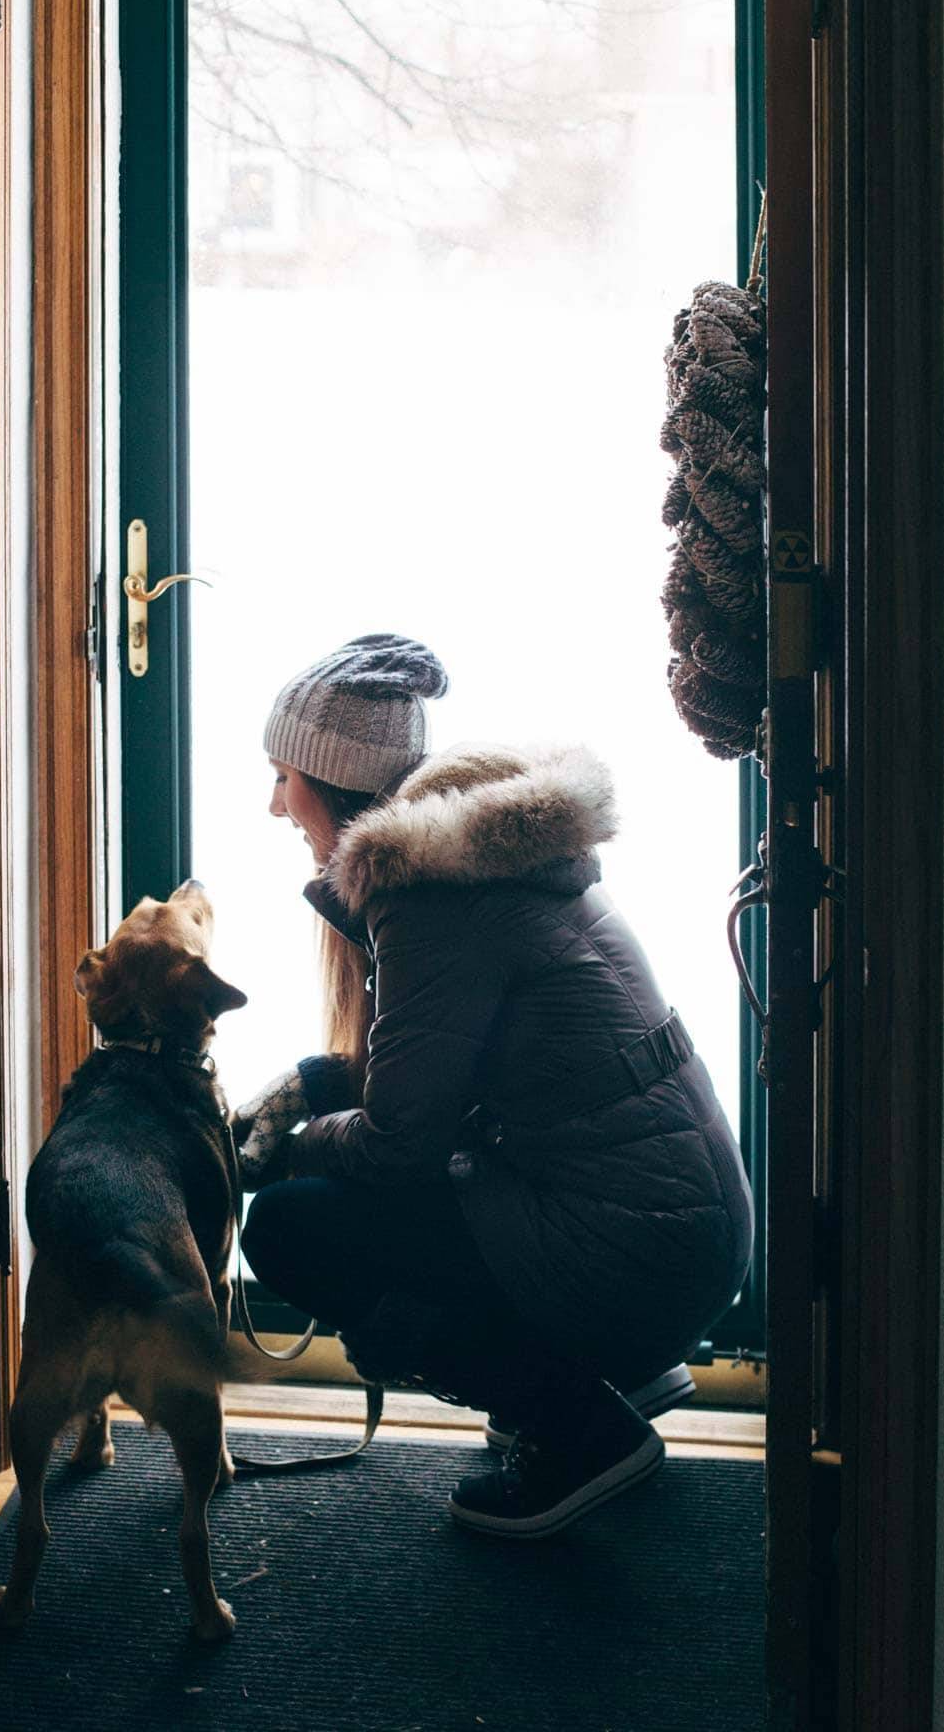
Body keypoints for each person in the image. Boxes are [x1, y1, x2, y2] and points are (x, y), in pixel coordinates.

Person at [232, 633, 754, 1539]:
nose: (276, 806)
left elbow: (401, 1143)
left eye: (285, 777)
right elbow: (438, 1085)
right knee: (346, 1192)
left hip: (636, 1257)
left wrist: (287, 1145)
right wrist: (311, 1087)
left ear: (334, 784)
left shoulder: (429, 903)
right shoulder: (485, 858)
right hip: (680, 1228)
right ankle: (576, 1379)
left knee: (288, 1225)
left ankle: (579, 1428)